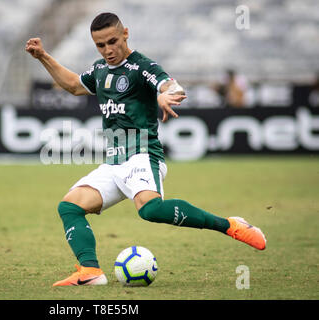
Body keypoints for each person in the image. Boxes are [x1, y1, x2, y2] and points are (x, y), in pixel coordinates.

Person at [25, 13, 266, 287]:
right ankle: (89, 271)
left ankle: (231, 225)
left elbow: (171, 85)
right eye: (100, 45)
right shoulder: (100, 70)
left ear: (125, 34)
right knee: (69, 206)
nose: (108, 50)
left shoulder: (142, 67)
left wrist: (165, 94)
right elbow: (72, 85)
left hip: (142, 154)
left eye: (112, 41)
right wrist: (43, 56)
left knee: (150, 210)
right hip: (114, 163)